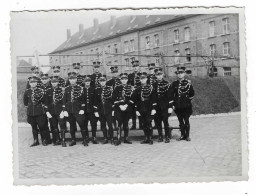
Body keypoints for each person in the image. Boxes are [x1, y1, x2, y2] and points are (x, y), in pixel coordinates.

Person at [63, 72, 87, 146]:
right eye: (71, 79)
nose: (72, 80)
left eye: (74, 79)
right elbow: (64, 100)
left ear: (76, 79)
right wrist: (64, 110)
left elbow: (83, 100)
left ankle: (84, 140)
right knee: (72, 126)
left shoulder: (81, 88)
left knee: (82, 125)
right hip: (70, 110)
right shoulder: (66, 89)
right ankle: (73, 140)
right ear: (69, 80)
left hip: (78, 110)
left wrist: (82, 109)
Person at [132, 72, 157, 145]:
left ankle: (150, 138)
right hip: (141, 107)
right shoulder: (138, 89)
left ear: (146, 79)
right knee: (144, 124)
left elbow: (154, 99)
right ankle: (146, 138)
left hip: (149, 107)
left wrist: (153, 108)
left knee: (149, 123)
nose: (143, 80)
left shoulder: (151, 88)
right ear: (140, 80)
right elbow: (135, 100)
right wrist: (136, 110)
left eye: (144, 79)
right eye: (141, 79)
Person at [170, 67, 195, 141]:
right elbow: (171, 95)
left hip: (186, 105)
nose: (180, 75)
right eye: (178, 73)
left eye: (181, 73)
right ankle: (182, 135)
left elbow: (192, 94)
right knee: (180, 120)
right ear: (176, 74)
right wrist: (173, 104)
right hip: (178, 105)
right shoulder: (174, 83)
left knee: (186, 120)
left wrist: (187, 101)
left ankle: (187, 136)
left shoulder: (188, 83)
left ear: (184, 74)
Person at [23, 76, 49, 146]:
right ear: (29, 83)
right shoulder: (27, 92)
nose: (33, 84)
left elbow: (45, 101)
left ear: (37, 83)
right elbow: (25, 102)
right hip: (31, 112)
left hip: (40, 111)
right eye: (31, 82)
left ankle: (44, 140)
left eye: (34, 82)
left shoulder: (41, 91)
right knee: (33, 127)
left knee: (41, 126)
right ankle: (36, 140)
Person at [112, 73, 133, 145]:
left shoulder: (131, 88)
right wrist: (120, 105)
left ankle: (126, 138)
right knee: (119, 124)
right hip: (119, 108)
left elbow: (132, 99)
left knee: (126, 124)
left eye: (125, 79)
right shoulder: (117, 88)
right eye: (122, 79)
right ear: (120, 80)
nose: (124, 81)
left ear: (127, 80)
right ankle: (118, 139)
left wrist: (126, 105)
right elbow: (114, 99)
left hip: (127, 108)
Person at [153, 68, 173, 143]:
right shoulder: (153, 85)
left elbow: (170, 96)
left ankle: (167, 136)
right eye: (158, 75)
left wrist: (170, 107)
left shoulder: (167, 84)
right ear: (155, 76)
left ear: (163, 75)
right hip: (157, 107)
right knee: (158, 122)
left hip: (165, 106)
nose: (159, 76)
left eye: (160, 75)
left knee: (165, 122)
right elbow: (153, 97)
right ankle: (160, 136)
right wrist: (153, 108)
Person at [46, 76, 66, 147]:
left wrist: (63, 111)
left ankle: (63, 140)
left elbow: (64, 101)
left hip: (60, 111)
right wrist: (47, 111)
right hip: (52, 111)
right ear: (51, 83)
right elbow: (47, 103)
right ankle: (57, 139)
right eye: (53, 82)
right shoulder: (48, 91)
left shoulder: (62, 90)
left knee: (62, 125)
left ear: (58, 82)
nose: (54, 83)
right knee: (54, 126)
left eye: (55, 82)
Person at [94, 76, 114, 144]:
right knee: (103, 125)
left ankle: (111, 138)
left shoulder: (110, 89)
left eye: (104, 81)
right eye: (101, 81)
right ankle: (105, 138)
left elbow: (112, 100)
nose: (102, 82)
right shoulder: (97, 90)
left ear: (106, 81)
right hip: (101, 110)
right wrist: (96, 110)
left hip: (108, 109)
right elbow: (95, 101)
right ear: (99, 82)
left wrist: (113, 109)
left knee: (110, 124)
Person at [83, 76, 98, 144]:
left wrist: (95, 110)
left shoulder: (93, 89)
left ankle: (94, 137)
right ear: (84, 82)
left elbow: (95, 100)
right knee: (85, 124)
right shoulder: (82, 89)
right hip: (85, 110)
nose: (87, 83)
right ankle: (86, 137)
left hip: (91, 110)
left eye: (88, 81)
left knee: (93, 124)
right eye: (86, 81)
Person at [128, 60, 142, 130]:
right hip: (133, 95)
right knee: (133, 110)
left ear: (139, 67)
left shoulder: (141, 75)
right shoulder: (130, 75)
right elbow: (128, 84)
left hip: (139, 94)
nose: (135, 68)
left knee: (139, 109)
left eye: (136, 66)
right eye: (134, 66)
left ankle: (141, 124)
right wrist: (131, 87)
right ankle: (133, 125)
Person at [106, 65, 121, 131]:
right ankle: (114, 125)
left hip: (118, 99)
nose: (115, 74)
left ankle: (120, 125)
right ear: (111, 73)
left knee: (119, 113)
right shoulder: (109, 82)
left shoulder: (120, 81)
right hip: (111, 99)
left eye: (116, 72)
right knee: (112, 113)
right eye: (113, 73)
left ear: (117, 73)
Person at [40, 73, 53, 144]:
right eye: (43, 79)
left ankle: (53, 138)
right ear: (41, 80)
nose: (44, 80)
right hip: (42, 108)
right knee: (43, 124)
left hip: (50, 107)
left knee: (52, 123)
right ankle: (45, 139)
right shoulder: (39, 88)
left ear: (48, 79)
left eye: (45, 79)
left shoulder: (51, 86)